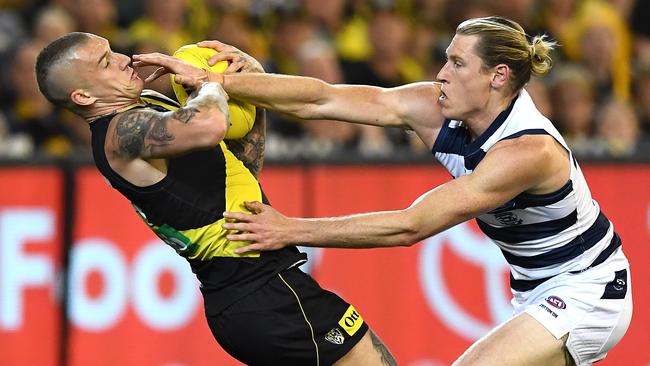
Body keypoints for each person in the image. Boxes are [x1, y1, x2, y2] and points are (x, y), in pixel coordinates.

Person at [133, 16, 633, 366]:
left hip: (589, 291)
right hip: (535, 288)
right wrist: (217, 80)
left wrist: (288, 229)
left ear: (497, 76)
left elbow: (410, 225)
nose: (441, 73)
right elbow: (322, 99)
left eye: (458, 64)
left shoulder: (529, 152)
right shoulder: (434, 105)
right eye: (445, 59)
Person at [35, 32, 396, 366]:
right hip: (260, 293)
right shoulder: (120, 136)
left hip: (259, 293)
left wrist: (253, 89)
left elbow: (241, 167)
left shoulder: (145, 104)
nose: (124, 59)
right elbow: (209, 125)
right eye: (105, 62)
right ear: (83, 96)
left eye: (113, 50)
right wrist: (212, 84)